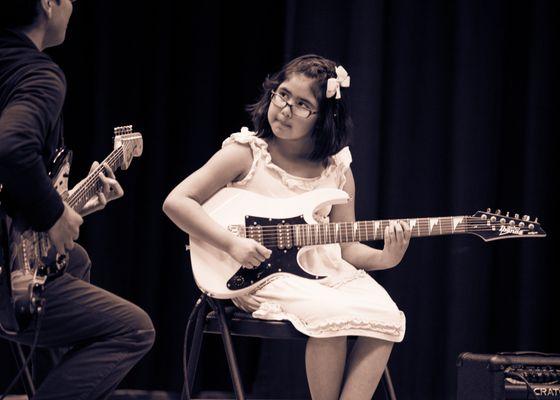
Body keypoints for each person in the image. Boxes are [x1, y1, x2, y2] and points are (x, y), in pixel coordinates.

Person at [163, 54, 411, 399]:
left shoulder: (337, 168)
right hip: (261, 274)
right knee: (334, 316)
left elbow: (346, 247)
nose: (285, 109)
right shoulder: (247, 153)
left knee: (384, 315)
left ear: (323, 117)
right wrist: (231, 244)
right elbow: (177, 202)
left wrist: (387, 257)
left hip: (324, 272)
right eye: (282, 95)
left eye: (302, 105)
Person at [0, 1, 155, 398]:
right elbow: (12, 148)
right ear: (48, 4)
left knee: (77, 259)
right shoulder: (37, 74)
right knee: (134, 329)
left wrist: (70, 205)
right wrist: (53, 213)